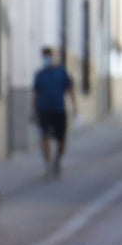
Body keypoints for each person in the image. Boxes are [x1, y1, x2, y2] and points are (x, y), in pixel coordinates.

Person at [32, 48, 77, 177]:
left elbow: (70, 89)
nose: (46, 59)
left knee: (61, 139)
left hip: (59, 110)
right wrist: (33, 111)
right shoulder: (40, 75)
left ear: (52, 57)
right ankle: (47, 164)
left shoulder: (61, 72)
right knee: (44, 136)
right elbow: (35, 93)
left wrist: (75, 107)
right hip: (44, 110)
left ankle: (57, 159)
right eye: (44, 57)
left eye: (48, 56)